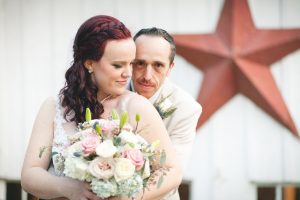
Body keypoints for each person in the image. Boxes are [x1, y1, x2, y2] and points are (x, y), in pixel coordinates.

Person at [21, 15, 182, 200]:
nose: (128, 74)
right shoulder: (54, 107)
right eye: (117, 65)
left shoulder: (137, 107)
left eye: (130, 63)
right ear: (90, 63)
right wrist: (70, 188)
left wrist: (131, 197)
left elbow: (171, 170)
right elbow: (29, 175)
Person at [130, 27, 202, 199]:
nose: (147, 75)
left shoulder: (186, 108)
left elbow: (170, 175)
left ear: (170, 68)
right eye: (140, 63)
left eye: (158, 66)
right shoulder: (108, 93)